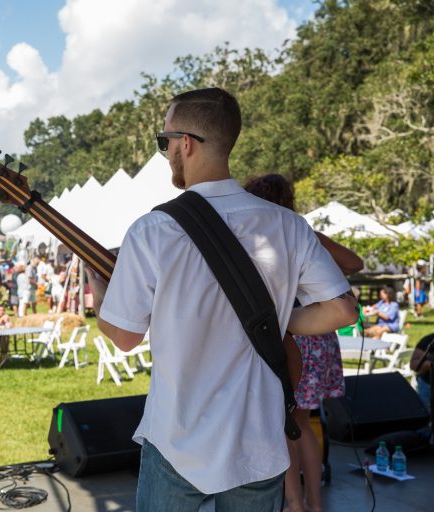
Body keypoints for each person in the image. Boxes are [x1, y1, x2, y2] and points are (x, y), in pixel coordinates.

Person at [85, 87, 358, 512]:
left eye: (165, 142)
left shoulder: (154, 229)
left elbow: (123, 336)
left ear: (185, 143)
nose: (167, 152)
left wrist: (98, 285)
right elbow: (342, 310)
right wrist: (281, 319)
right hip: (260, 439)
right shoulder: (288, 225)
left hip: (178, 439)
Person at [245, 173, 364, 512]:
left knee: (282, 425)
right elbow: (355, 263)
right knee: (303, 424)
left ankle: (294, 503)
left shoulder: (259, 236)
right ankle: (314, 503)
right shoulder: (303, 233)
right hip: (322, 333)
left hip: (292, 338)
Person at [411, 333, 434, 413]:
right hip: (428, 384)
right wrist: (428, 364)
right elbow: (413, 365)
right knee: (424, 413)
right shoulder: (429, 340)